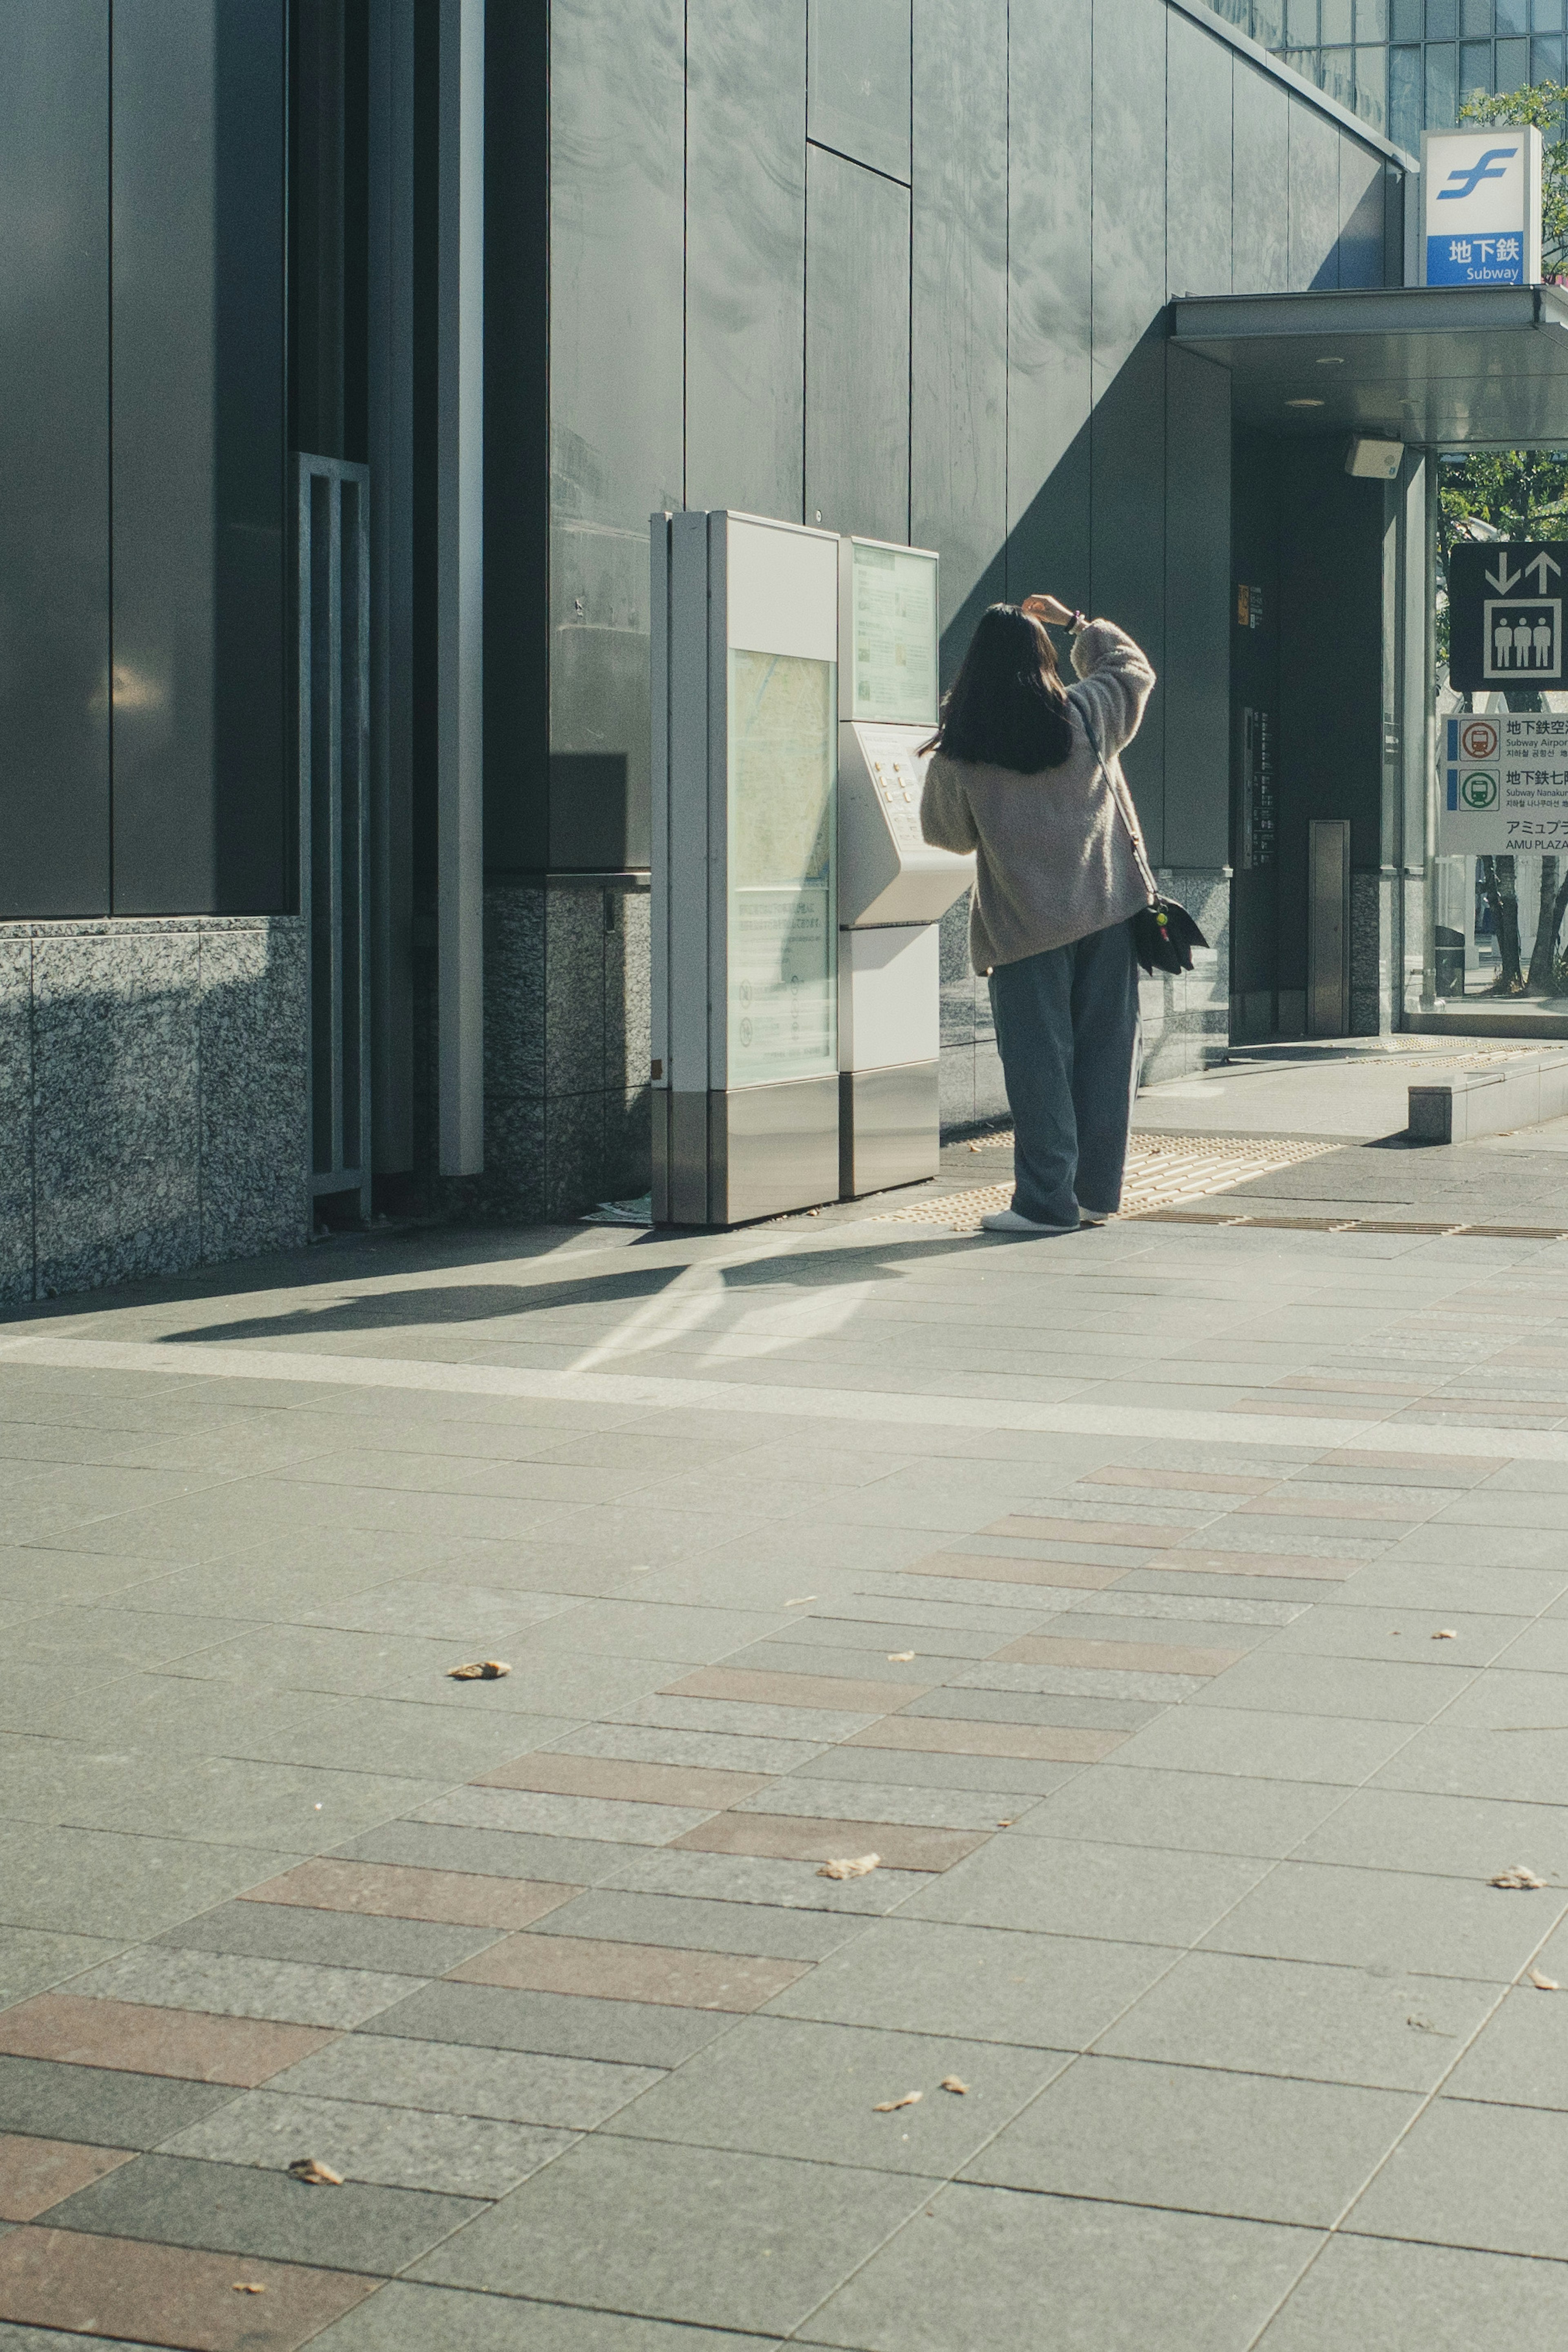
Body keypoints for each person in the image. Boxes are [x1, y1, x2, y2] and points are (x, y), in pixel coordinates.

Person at [919, 595, 1156, 1235]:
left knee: (1038, 1067)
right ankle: (1094, 1197)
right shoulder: (1085, 713)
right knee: (1107, 1059)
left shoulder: (961, 750)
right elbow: (1133, 668)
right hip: (1108, 914)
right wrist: (1078, 622)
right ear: (1044, 658)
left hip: (1025, 932)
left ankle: (1045, 1204)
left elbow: (947, 836)